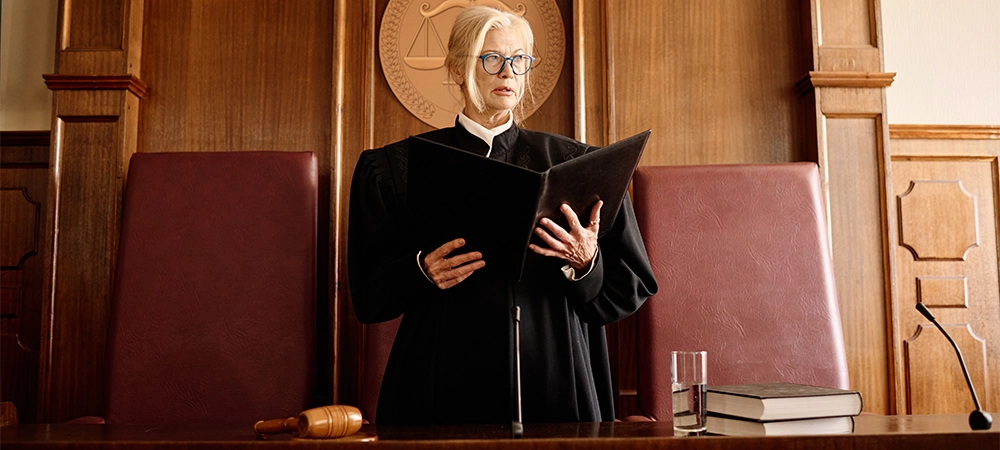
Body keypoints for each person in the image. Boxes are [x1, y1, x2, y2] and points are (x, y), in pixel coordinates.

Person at [348, 5, 657, 425]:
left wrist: (586, 261)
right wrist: (421, 270)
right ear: (458, 69)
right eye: (491, 59)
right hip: (439, 375)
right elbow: (368, 296)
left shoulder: (579, 164)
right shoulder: (391, 169)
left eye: (518, 61)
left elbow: (630, 288)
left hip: (557, 372)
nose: (507, 72)